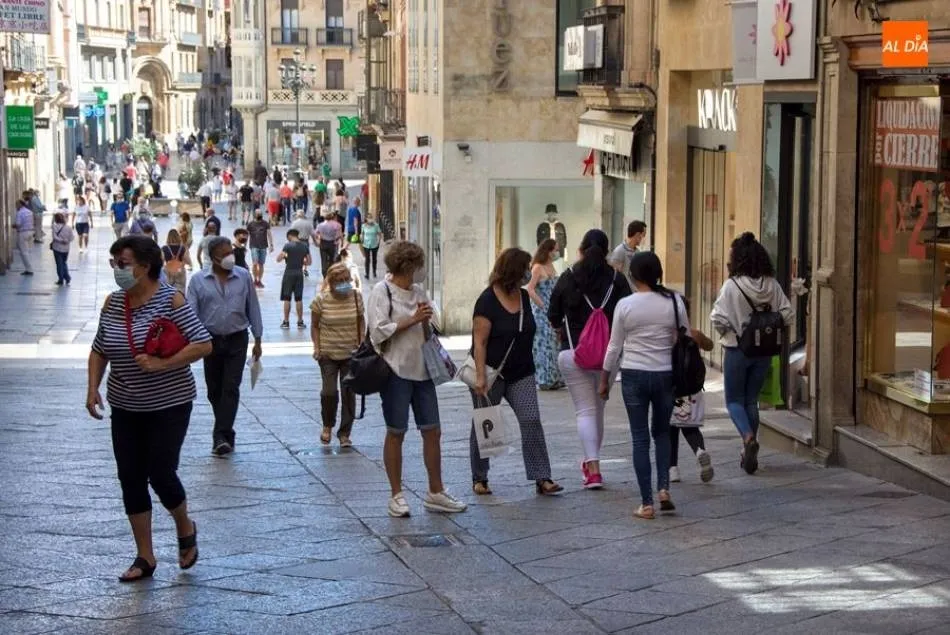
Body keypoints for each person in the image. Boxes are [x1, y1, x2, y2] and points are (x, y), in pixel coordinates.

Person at [86, 235, 212, 581]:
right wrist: (92, 387)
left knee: (160, 471)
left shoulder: (171, 300)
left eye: (123, 263)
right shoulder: (113, 304)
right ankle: (145, 556)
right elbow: (100, 348)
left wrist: (162, 364)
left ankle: (184, 525)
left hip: (169, 403)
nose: (117, 269)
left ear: (145, 266)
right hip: (125, 404)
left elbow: (203, 343)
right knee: (130, 477)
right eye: (114, 263)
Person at [367, 241, 467, 517]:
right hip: (395, 370)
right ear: (408, 266)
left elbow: (427, 329)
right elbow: (377, 332)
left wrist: (425, 320)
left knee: (432, 430)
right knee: (396, 432)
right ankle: (396, 494)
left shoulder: (419, 291)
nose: (421, 271)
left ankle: (436, 491)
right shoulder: (381, 291)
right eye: (418, 266)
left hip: (422, 370)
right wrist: (411, 319)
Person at [469, 248, 563, 497]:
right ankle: (480, 477)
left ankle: (542, 477)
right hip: (491, 372)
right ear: (513, 271)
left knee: (531, 419)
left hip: (521, 371)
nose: (526, 273)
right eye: (523, 268)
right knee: (486, 422)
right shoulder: (487, 301)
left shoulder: (523, 297)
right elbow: (479, 342)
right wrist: (480, 377)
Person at [601, 251, 686, 520]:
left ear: (634, 276)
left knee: (640, 438)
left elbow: (614, 347)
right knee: (662, 433)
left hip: (634, 374)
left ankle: (646, 503)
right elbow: (682, 335)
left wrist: (605, 378)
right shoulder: (674, 301)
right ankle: (664, 489)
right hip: (665, 374)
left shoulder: (625, 305)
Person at [548, 229, 632, 489]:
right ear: (606, 250)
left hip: (574, 354)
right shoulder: (617, 280)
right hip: (608, 356)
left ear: (582, 249)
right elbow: (627, 313)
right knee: (598, 411)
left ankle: (593, 468)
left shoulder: (568, 277)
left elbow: (552, 314)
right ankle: (592, 464)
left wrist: (564, 326)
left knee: (585, 411)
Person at [710, 232, 794, 475]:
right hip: (764, 351)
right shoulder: (771, 284)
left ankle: (748, 438)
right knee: (751, 400)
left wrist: (733, 330)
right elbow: (787, 314)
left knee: (734, 400)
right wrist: (768, 321)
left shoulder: (732, 286)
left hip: (737, 350)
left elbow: (717, 318)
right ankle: (749, 446)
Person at [187, 236, 264, 456]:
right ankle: (226, 431)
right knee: (214, 390)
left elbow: (253, 307)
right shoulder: (198, 281)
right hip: (209, 341)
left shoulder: (243, 276)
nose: (230, 256)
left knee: (230, 387)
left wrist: (257, 339)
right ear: (213, 258)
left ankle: (220, 436)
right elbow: (191, 314)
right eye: (224, 253)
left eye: (231, 251)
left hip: (237, 339)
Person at [311, 262, 364, 447]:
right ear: (331, 283)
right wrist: (317, 348)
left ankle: (344, 433)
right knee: (329, 392)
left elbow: (360, 320)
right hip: (328, 354)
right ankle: (327, 425)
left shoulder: (356, 297)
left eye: (346, 280)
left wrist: (361, 342)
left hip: (351, 353)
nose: (344, 284)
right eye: (340, 281)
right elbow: (315, 326)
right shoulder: (321, 300)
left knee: (349, 393)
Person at [669, 296, 715, 484]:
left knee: (670, 429)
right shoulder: (693, 334)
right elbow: (710, 346)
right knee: (689, 426)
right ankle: (700, 451)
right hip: (689, 388)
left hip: (671, 388)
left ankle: (673, 469)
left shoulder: (667, 336)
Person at [525, 239, 562, 391]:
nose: (556, 253)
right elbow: (530, 289)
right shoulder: (538, 268)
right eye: (555, 250)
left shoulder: (551, 266)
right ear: (548, 251)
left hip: (551, 310)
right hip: (541, 312)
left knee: (553, 344)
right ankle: (544, 378)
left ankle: (554, 377)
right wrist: (542, 305)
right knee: (543, 345)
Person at [277, 229, 311, 329]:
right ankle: (300, 322)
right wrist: (301, 260)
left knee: (287, 298)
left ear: (290, 236)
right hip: (299, 273)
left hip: (289, 273)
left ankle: (286, 322)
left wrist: (285, 256)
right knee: (298, 298)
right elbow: (309, 262)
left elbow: (278, 259)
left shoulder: (287, 246)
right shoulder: (304, 246)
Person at [608, 220, 647, 290]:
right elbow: (614, 276)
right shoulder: (620, 251)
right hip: (624, 294)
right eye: (643, 235)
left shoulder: (638, 252)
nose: (644, 239)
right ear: (638, 235)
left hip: (635, 293)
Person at [246, 211, 274, 288]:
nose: (259, 215)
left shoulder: (265, 223)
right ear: (254, 215)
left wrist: (271, 245)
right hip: (254, 246)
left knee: (261, 264)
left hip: (263, 246)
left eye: (260, 214)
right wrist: (244, 246)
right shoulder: (250, 224)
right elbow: (247, 235)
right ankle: (255, 279)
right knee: (255, 263)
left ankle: (259, 280)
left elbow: (269, 234)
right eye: (258, 214)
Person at [314, 210, 343, 277]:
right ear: (333, 217)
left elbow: (315, 234)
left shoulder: (320, 225)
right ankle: (331, 273)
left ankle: (324, 274)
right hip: (332, 243)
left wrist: (317, 241)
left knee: (323, 260)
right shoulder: (337, 225)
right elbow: (339, 235)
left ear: (325, 218)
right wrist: (340, 242)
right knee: (332, 259)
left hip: (323, 243)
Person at [50, 212, 75, 286]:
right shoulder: (68, 227)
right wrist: (66, 240)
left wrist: (61, 240)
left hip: (57, 248)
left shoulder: (54, 227)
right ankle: (67, 277)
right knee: (64, 262)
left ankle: (61, 278)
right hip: (66, 248)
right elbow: (72, 237)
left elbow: (54, 237)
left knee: (59, 263)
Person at [162, 229, 191, 294]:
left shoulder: (164, 248)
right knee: (180, 292)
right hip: (180, 271)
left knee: (167, 291)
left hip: (168, 272)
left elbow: (160, 262)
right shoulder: (183, 248)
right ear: (178, 237)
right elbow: (189, 262)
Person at [290, 210, 315, 277]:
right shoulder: (308, 223)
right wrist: (315, 241)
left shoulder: (294, 223)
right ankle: (305, 268)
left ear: (297, 216)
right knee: (305, 256)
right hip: (305, 241)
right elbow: (312, 234)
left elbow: (291, 233)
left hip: (296, 241)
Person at [13, 199, 34, 275]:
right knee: (26, 251)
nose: (16, 206)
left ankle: (29, 269)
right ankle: (28, 268)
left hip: (23, 233)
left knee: (23, 252)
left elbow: (18, 224)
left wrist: (13, 225)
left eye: (17, 204)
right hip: (30, 232)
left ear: (20, 204)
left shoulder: (20, 213)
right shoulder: (29, 212)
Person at [360, 213, 382, 279]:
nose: (370, 219)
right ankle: (367, 274)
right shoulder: (363, 226)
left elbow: (380, 234)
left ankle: (374, 272)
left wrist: (378, 241)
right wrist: (362, 239)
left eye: (371, 217)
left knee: (374, 259)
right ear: (366, 219)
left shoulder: (376, 225)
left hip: (375, 244)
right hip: (366, 244)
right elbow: (362, 233)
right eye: (369, 217)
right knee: (367, 259)